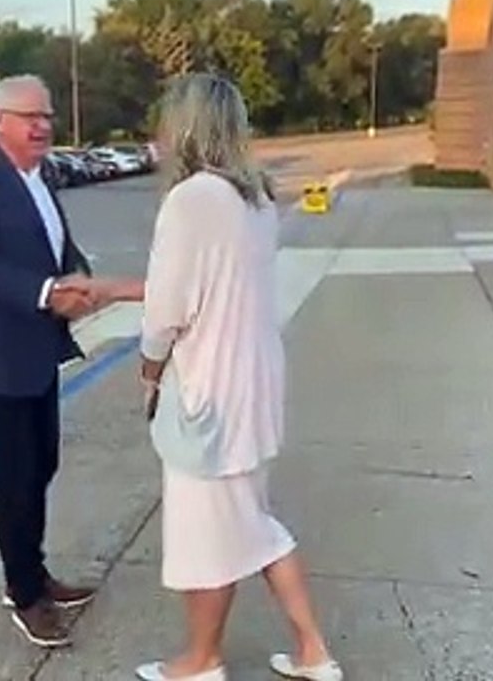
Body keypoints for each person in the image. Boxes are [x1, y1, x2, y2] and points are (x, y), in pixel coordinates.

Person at [121, 73, 342, 681]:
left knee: (206, 537)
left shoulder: (191, 199)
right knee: (255, 526)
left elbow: (168, 309)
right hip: (253, 387)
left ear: (187, 127)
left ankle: (201, 660)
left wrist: (149, 368)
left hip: (209, 396)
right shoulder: (257, 199)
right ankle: (312, 650)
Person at [0, 74, 98, 648]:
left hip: (35, 353)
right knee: (13, 479)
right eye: (31, 117)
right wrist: (47, 293)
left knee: (42, 464)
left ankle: (33, 570)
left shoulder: (41, 176)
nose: (42, 126)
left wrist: (79, 277)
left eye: (47, 116)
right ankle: (24, 593)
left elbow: (58, 246)